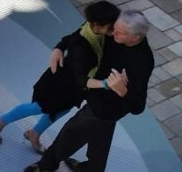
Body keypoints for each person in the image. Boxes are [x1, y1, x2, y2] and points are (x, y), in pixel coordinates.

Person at [25, 10, 154, 172]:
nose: (112, 33)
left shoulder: (142, 62)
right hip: (95, 95)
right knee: (100, 138)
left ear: (136, 38)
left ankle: (44, 168)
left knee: (69, 135)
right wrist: (60, 47)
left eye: (119, 33)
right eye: (113, 28)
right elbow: (85, 31)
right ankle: (91, 169)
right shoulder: (115, 29)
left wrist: (122, 91)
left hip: (104, 108)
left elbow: (138, 106)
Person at [0, 1, 121, 154]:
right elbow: (81, 78)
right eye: (111, 27)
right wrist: (106, 84)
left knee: (61, 111)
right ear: (97, 25)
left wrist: (59, 47)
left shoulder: (91, 27)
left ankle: (34, 133)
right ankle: (0, 121)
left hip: (74, 86)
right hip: (61, 83)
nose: (115, 30)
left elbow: (68, 38)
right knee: (38, 107)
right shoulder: (81, 46)